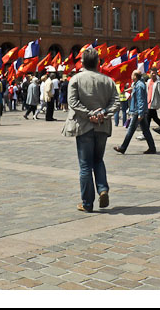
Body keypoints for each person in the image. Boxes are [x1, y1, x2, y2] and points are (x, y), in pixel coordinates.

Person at [63, 47, 119, 213]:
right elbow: (116, 102)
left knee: (85, 165)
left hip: (84, 126)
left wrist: (89, 115)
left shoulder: (76, 79)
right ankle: (102, 189)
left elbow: (73, 103)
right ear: (98, 63)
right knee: (98, 160)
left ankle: (87, 203)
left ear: (82, 63)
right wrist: (103, 114)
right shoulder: (108, 81)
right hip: (102, 126)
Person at [114, 70, 156, 155]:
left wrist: (140, 113)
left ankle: (123, 147)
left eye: (132, 75)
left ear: (135, 76)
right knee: (145, 130)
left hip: (138, 111)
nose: (131, 76)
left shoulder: (139, 85)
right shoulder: (138, 84)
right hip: (139, 110)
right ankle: (152, 148)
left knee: (130, 130)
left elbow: (140, 100)